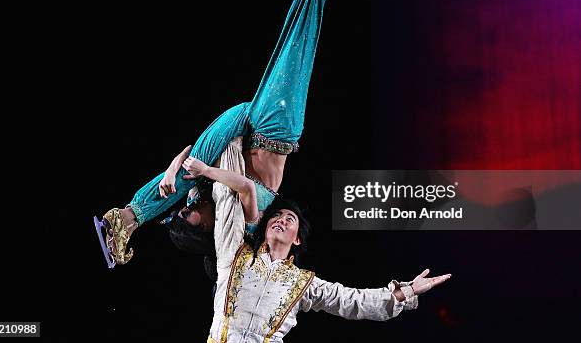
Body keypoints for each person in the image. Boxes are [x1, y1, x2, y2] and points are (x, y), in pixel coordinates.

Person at [93, 0, 335, 268]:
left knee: (180, 179)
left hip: (244, 125)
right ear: (205, 228)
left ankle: (129, 216)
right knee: (295, 54)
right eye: (189, 216)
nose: (187, 209)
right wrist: (204, 169)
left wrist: (171, 169)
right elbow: (246, 188)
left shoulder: (201, 192)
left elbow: (193, 156)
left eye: (184, 211)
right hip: (278, 129)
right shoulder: (245, 218)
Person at [186, 138, 452, 342]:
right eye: (277, 216)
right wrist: (225, 148)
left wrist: (408, 290)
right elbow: (227, 198)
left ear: (297, 239)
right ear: (265, 228)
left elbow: (353, 301)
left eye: (290, 219)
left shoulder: (303, 284)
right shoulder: (234, 256)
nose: (281, 220)